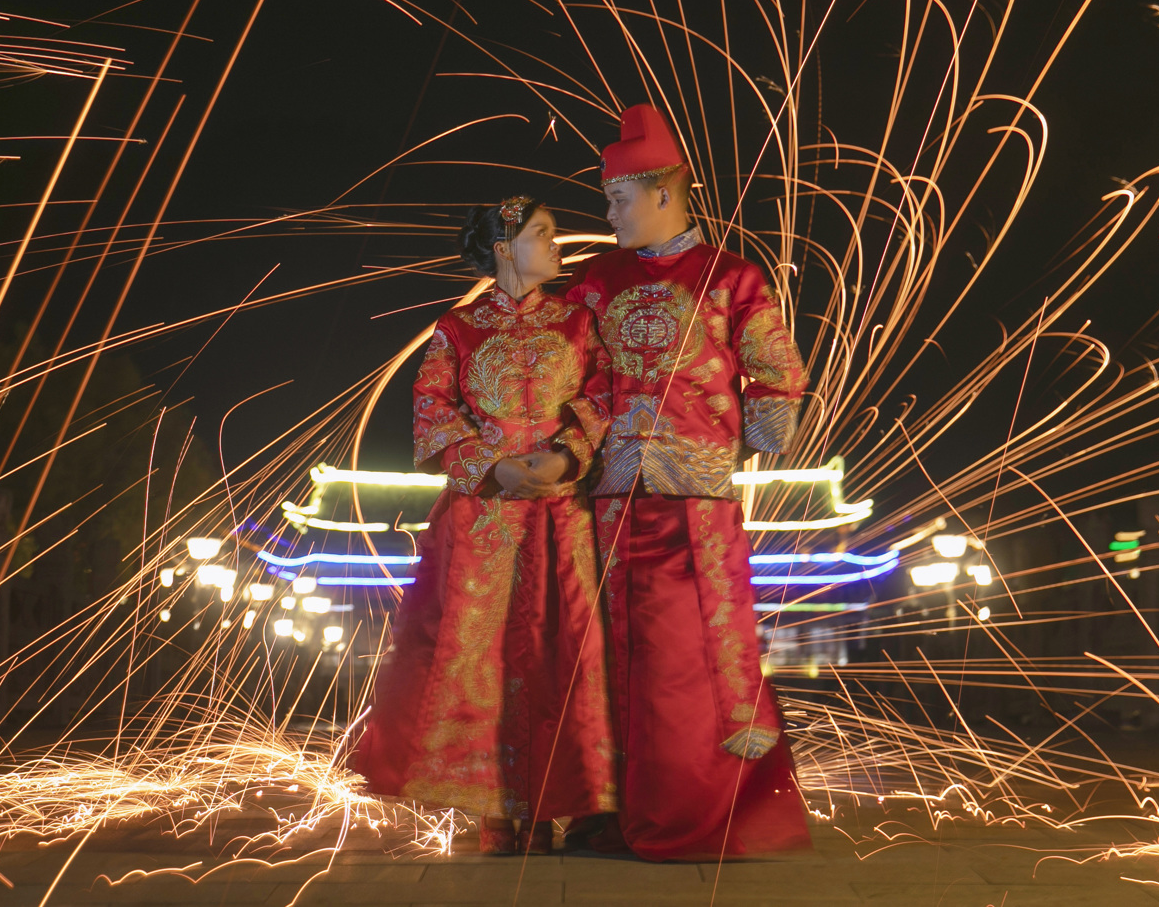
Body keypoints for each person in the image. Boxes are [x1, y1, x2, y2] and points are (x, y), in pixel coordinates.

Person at [563, 104, 813, 861]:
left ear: (662, 191)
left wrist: (765, 425)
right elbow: (564, 378)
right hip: (603, 501)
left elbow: (777, 371)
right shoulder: (593, 283)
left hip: (693, 506)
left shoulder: (732, 277)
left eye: (617, 199)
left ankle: (690, 817)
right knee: (602, 658)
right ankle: (606, 810)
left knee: (684, 662)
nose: (607, 215)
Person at [348, 196, 618, 855]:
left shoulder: (580, 323)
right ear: (503, 247)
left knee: (568, 653)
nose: (559, 246)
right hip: (483, 522)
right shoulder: (458, 328)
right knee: (483, 661)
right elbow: (432, 409)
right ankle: (497, 812)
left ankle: (575, 801)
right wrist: (491, 467)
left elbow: (605, 394)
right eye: (544, 234)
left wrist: (564, 455)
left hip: (562, 515)